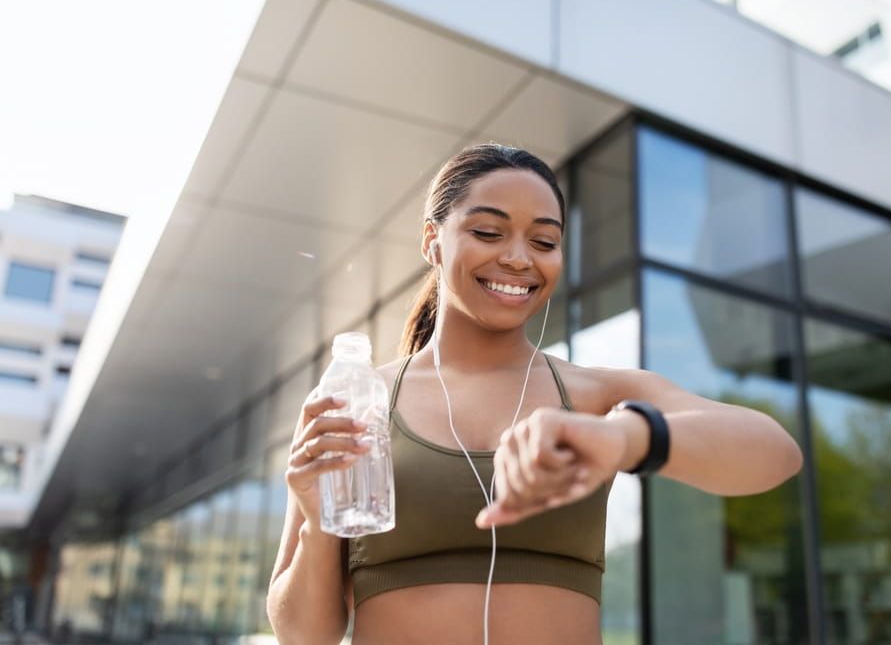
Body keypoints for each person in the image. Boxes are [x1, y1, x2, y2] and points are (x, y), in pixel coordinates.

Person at [266, 143, 804, 645]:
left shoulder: (597, 394)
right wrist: (318, 521)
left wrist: (622, 437)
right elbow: (304, 635)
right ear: (432, 239)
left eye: (544, 241)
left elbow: (776, 453)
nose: (520, 259)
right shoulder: (357, 400)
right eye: (488, 232)